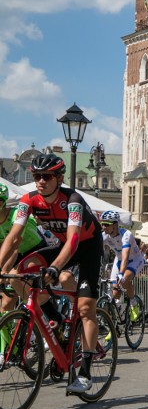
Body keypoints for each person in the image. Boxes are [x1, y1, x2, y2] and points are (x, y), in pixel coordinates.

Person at [0, 154, 102, 393]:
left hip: (85, 247)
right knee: (21, 272)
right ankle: (53, 318)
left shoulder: (73, 200)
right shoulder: (29, 200)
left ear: (59, 178)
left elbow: (74, 239)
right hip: (61, 245)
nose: (40, 181)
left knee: (86, 308)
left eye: (46, 176)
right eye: (37, 176)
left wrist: (55, 267)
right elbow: (14, 236)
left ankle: (85, 372)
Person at [0, 184, 51, 334]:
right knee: (6, 303)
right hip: (19, 255)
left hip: (37, 250)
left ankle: (42, 316)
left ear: (2, 202)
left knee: (14, 278)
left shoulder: (16, 216)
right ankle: (25, 316)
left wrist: (3, 270)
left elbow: (14, 246)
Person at [100, 210, 143, 321]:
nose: (104, 227)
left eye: (106, 224)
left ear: (115, 224)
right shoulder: (105, 236)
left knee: (124, 279)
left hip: (134, 259)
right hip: (118, 260)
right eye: (102, 224)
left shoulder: (126, 235)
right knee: (115, 292)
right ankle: (115, 323)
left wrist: (120, 273)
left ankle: (134, 303)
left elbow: (125, 256)